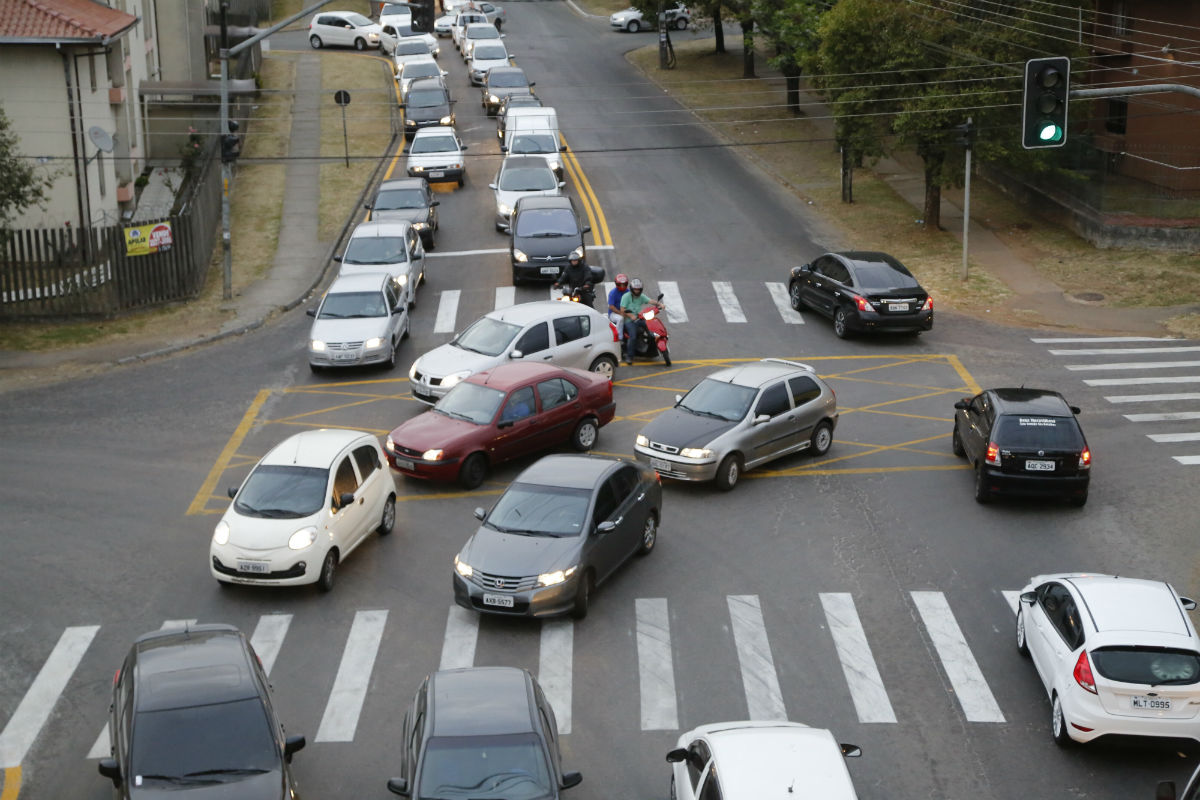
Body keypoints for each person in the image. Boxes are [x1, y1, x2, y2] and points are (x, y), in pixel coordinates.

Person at [620, 278, 662, 364]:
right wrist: (630, 315)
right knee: (633, 336)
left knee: (652, 329)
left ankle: (652, 350)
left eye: (638, 289)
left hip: (640, 318)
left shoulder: (641, 296)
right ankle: (629, 356)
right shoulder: (626, 297)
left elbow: (650, 301)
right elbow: (622, 310)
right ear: (632, 288)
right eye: (635, 289)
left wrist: (660, 304)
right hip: (629, 321)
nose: (636, 291)